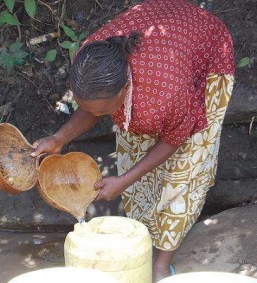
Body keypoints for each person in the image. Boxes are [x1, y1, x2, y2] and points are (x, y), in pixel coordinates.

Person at [30, 0, 235, 281]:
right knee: (135, 159)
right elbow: (93, 107)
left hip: (202, 49)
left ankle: (161, 264)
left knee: (185, 174)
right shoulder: (92, 60)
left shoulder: (166, 93)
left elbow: (175, 140)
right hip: (166, 35)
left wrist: (124, 180)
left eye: (104, 112)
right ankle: (143, 238)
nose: (98, 116)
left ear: (126, 87)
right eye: (94, 110)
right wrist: (59, 138)